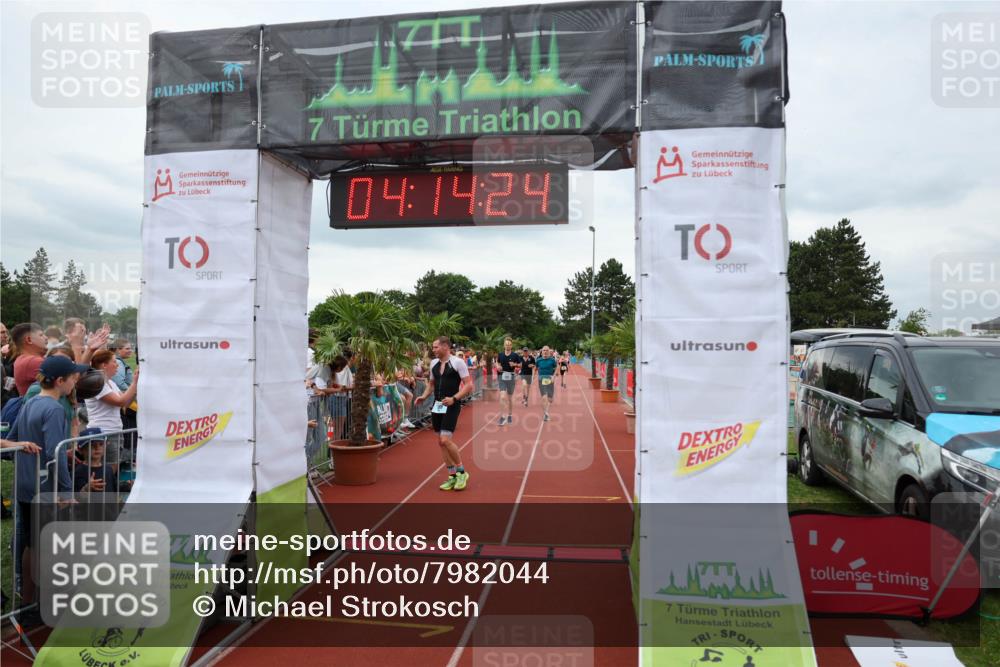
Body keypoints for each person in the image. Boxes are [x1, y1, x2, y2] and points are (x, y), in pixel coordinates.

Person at [10, 354, 88, 620]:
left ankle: (29, 604)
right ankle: (49, 606)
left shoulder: (30, 402)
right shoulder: (54, 409)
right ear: (59, 381)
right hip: (45, 487)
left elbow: (11, 441)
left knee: (33, 544)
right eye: (73, 378)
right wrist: (66, 492)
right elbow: (56, 453)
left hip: (25, 484)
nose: (76, 381)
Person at [416, 336, 473, 491]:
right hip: (438, 405)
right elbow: (432, 384)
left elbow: (469, 385)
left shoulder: (457, 362)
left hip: (452, 404)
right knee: (441, 442)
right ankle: (452, 476)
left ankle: (462, 472)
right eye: (433, 347)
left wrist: (454, 398)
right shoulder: (434, 363)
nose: (433, 350)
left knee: (445, 440)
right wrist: (424, 396)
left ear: (445, 347)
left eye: (435, 347)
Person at [84, 350, 139, 470]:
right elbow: (120, 401)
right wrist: (134, 383)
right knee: (108, 470)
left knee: (112, 470)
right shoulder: (98, 383)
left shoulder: (111, 383)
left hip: (114, 431)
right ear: (104, 365)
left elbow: (125, 404)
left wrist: (134, 390)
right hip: (104, 433)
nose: (117, 365)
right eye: (114, 362)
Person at [73, 427, 121, 495]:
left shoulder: (108, 469)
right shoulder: (78, 471)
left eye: (101, 444)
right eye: (92, 445)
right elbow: (77, 497)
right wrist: (87, 488)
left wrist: (127, 485)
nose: (97, 448)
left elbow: (115, 488)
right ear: (81, 449)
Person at [11, 323, 47, 397]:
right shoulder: (32, 361)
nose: (46, 338)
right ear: (29, 340)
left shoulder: (23, 359)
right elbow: (68, 381)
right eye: (41, 335)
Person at [495, 338, 522, 426]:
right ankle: (503, 417)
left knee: (509, 398)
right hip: (501, 376)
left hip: (511, 377)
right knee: (502, 396)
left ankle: (509, 415)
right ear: (504, 345)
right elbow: (497, 363)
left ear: (511, 345)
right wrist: (498, 366)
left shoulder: (515, 355)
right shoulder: (500, 354)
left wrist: (514, 364)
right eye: (506, 344)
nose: (508, 346)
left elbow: (521, 365)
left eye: (509, 344)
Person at [535, 346, 558, 421]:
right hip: (541, 380)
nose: (545, 352)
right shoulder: (538, 360)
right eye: (544, 350)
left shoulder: (552, 360)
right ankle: (546, 414)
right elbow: (535, 368)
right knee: (544, 398)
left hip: (550, 381)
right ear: (541, 352)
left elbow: (557, 368)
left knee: (550, 399)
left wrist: (553, 376)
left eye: (546, 350)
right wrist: (533, 377)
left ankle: (546, 410)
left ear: (549, 351)